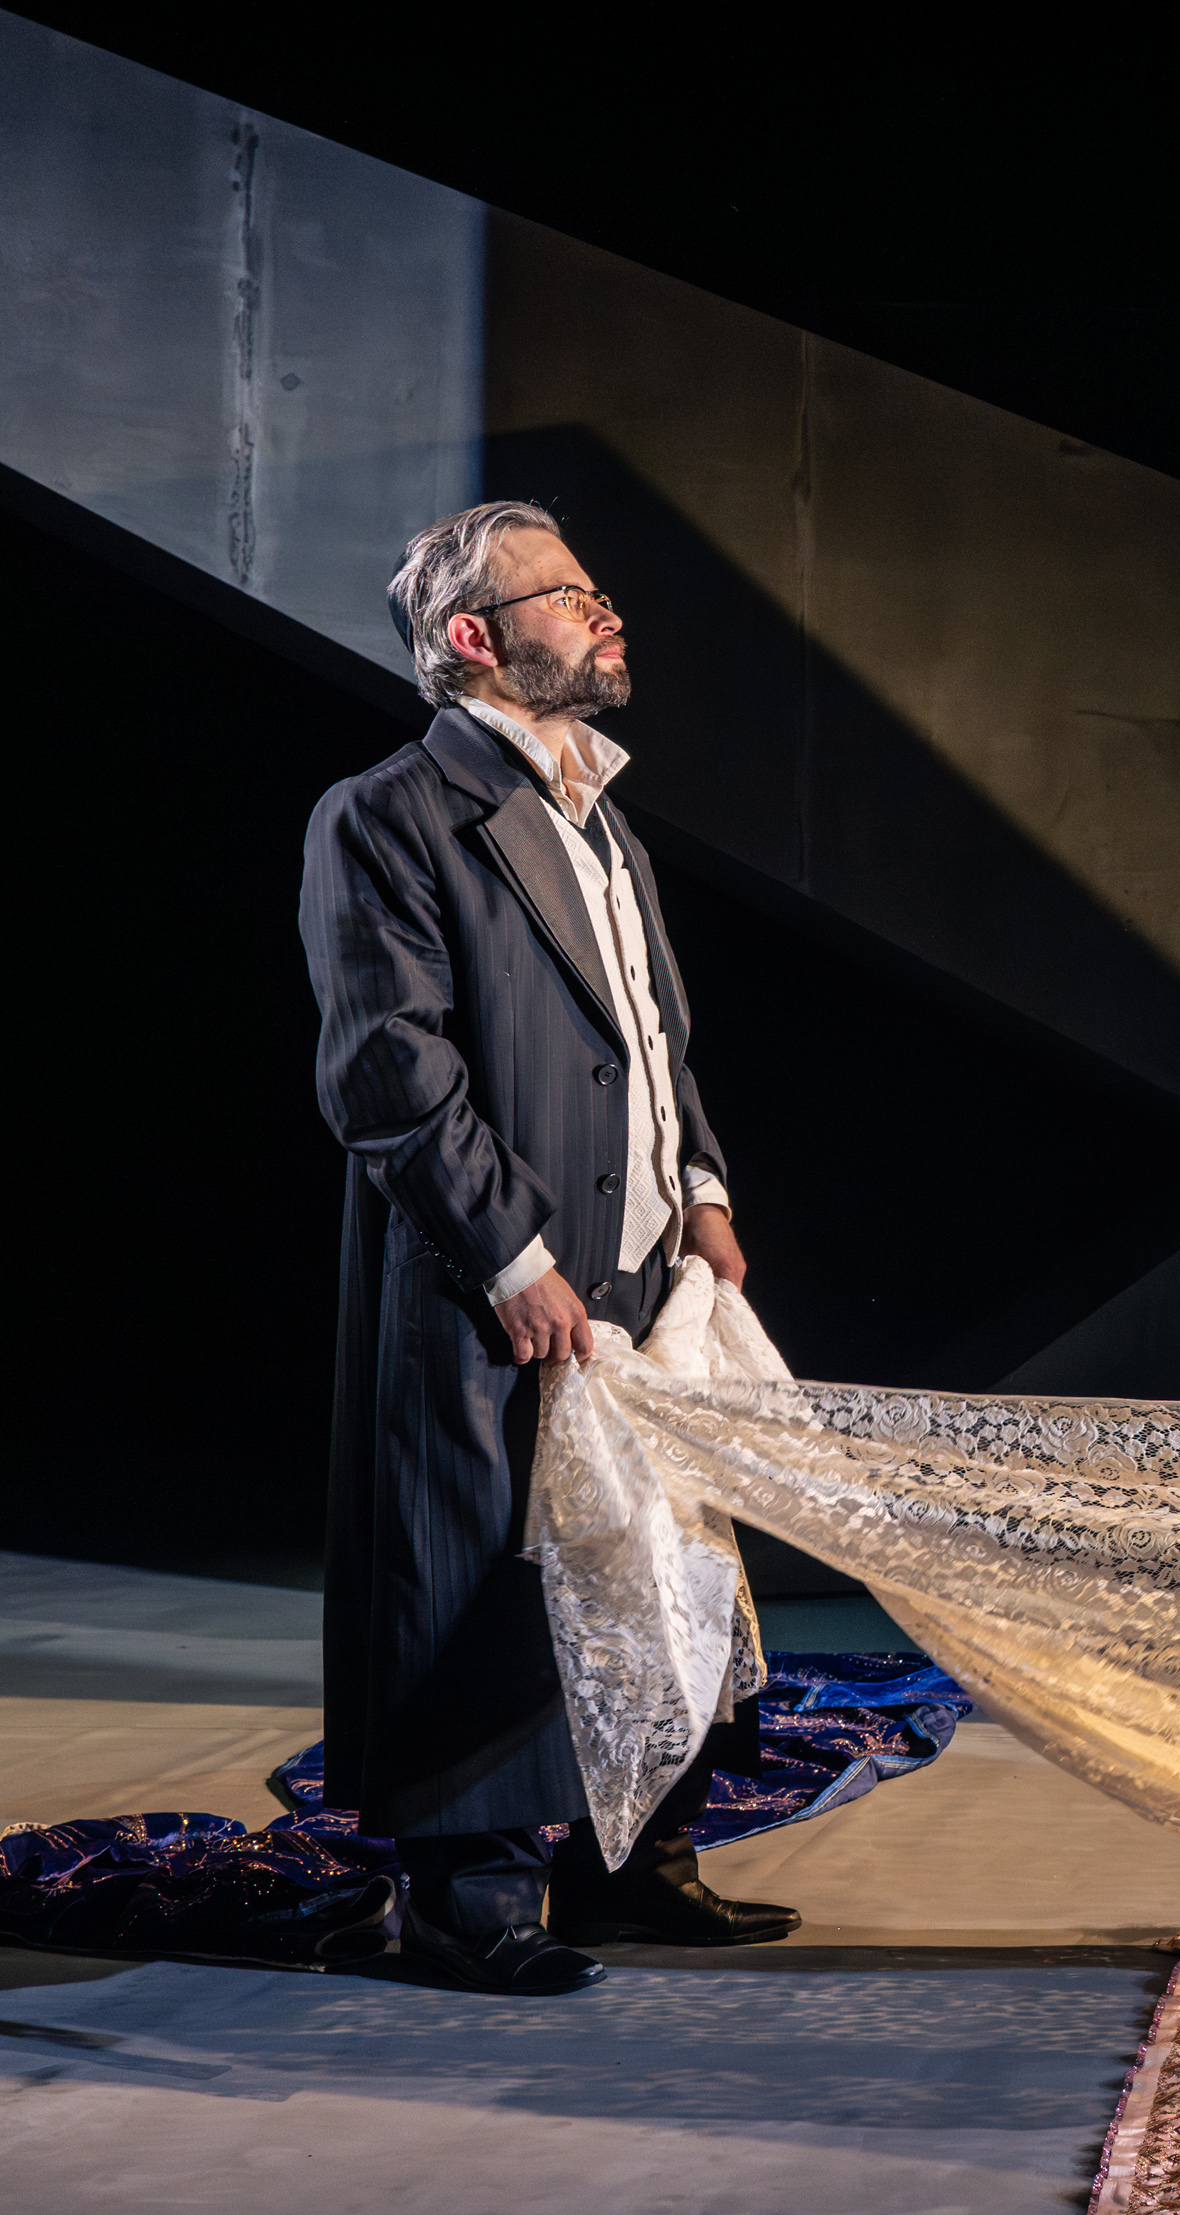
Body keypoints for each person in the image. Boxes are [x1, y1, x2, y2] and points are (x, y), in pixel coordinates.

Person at [300, 501, 798, 1990]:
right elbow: (389, 1069)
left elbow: (655, 1038)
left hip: (640, 1261)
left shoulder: (604, 817)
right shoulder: (389, 814)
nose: (605, 611)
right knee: (483, 1577)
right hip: (499, 1276)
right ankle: (470, 1908)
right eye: (569, 594)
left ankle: (635, 1867)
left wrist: (701, 1185)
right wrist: (513, 1259)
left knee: (653, 1568)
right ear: (473, 637)